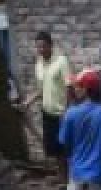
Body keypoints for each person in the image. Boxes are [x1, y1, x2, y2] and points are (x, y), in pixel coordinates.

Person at [23, 32, 73, 179]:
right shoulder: (38, 64)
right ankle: (63, 178)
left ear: (51, 45)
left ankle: (71, 181)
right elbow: (41, 89)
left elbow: (70, 86)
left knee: (65, 149)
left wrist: (67, 110)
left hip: (62, 114)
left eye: (43, 46)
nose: (40, 50)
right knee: (54, 149)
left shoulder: (61, 61)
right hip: (47, 113)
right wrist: (28, 102)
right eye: (38, 47)